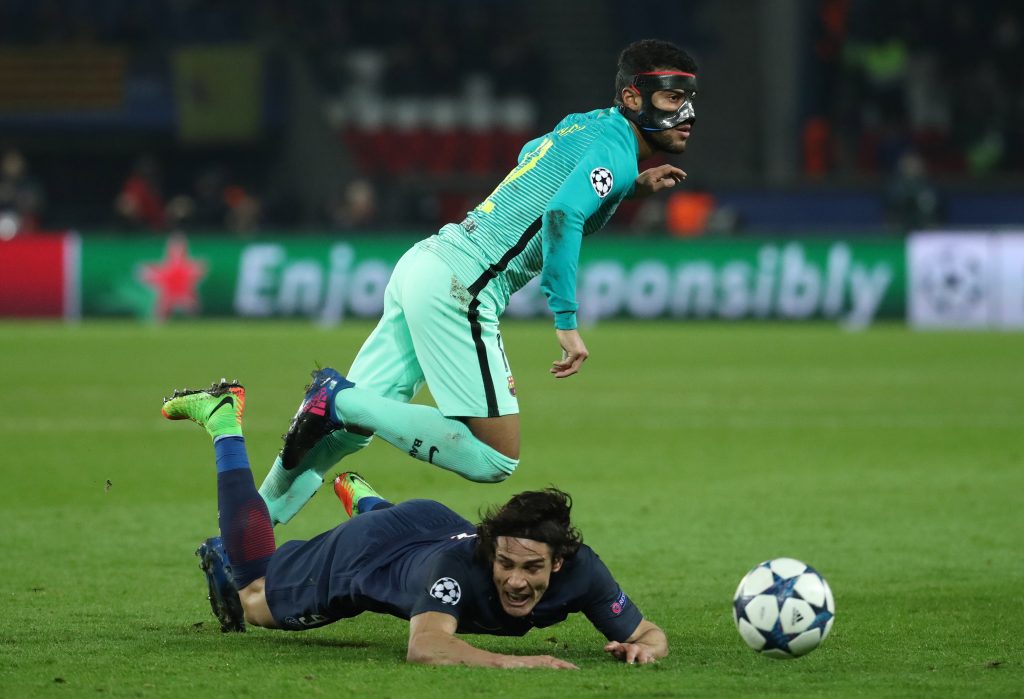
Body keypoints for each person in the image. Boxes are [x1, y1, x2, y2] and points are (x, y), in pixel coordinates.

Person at [257, 39, 700, 526]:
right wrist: (566, 317)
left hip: (427, 262)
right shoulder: (614, 148)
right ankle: (336, 398)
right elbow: (562, 213)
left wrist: (627, 186)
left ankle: (241, 544)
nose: (688, 113)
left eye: (689, 99)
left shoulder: (585, 123)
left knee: (342, 435)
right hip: (461, 284)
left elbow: (534, 157)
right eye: (673, 98)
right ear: (634, 98)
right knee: (495, 459)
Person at [161, 381, 669, 668]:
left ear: (560, 563)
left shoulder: (585, 572)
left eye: (532, 568)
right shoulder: (458, 568)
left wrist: (640, 648)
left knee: (414, 545)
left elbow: (650, 633)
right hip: (372, 552)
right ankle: (224, 418)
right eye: (506, 563)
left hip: (425, 525)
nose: (516, 580)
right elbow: (426, 646)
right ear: (491, 550)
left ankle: (365, 497)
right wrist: (525, 662)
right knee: (255, 596)